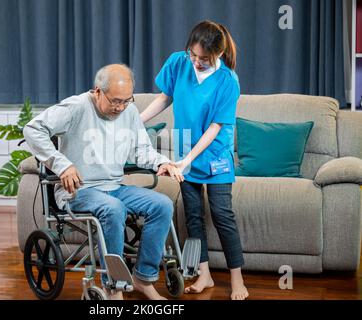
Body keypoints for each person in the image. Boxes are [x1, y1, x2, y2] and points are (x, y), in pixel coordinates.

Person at [23, 64, 184, 300]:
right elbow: (32, 129)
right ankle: (114, 286)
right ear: (97, 91)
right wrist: (62, 165)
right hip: (78, 190)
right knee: (113, 208)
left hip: (114, 188)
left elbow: (141, 149)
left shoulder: (128, 112)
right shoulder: (76, 107)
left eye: (126, 101)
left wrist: (163, 162)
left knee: (162, 205)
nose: (120, 108)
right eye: (115, 101)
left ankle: (143, 279)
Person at [140, 21, 249, 300]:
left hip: (214, 156)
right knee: (192, 218)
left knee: (223, 216)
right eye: (194, 55)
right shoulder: (179, 62)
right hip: (184, 157)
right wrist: (136, 121)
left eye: (204, 59)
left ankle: (238, 280)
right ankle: (205, 275)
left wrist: (185, 161)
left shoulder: (228, 81)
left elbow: (215, 129)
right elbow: (165, 98)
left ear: (219, 54)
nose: (197, 62)